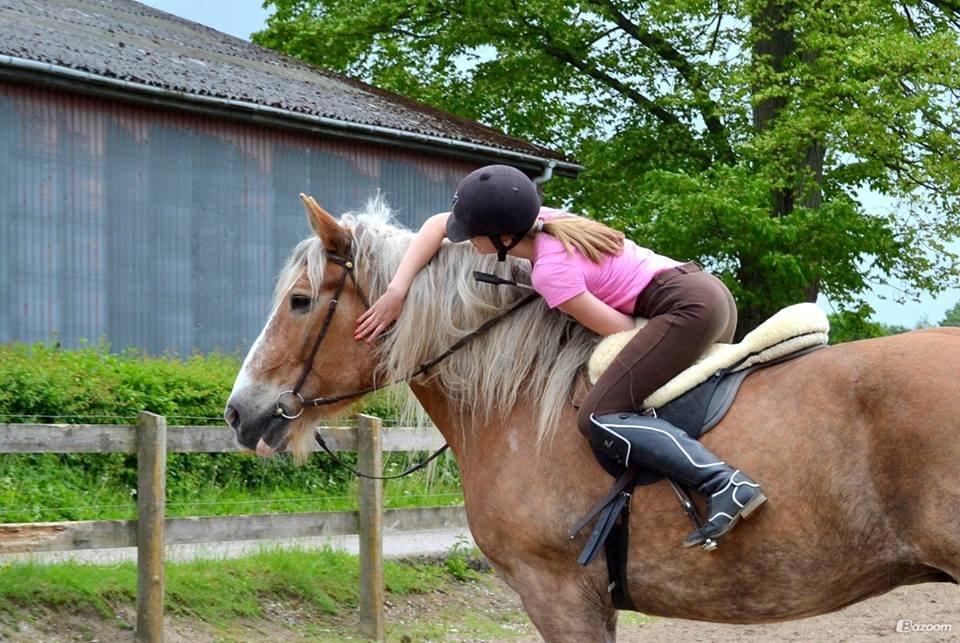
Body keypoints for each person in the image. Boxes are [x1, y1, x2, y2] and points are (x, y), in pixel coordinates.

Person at [354, 164, 766, 548]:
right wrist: (397, 291)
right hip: (705, 293)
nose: (466, 241)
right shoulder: (545, 220)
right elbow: (433, 227)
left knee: (598, 415)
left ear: (503, 237)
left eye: (473, 235)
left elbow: (620, 332)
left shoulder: (549, 273)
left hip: (686, 311)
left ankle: (724, 483)